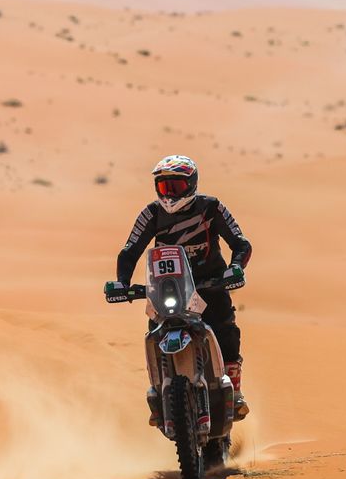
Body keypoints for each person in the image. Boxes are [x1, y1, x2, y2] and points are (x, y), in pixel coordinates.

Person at [106, 154, 253, 419]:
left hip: (210, 285)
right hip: (165, 289)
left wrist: (236, 267)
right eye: (164, 187)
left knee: (226, 330)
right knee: (154, 335)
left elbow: (241, 243)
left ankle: (236, 391)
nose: (170, 194)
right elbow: (130, 251)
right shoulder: (151, 213)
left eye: (176, 186)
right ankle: (159, 391)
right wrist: (122, 283)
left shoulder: (211, 207)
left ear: (192, 184)